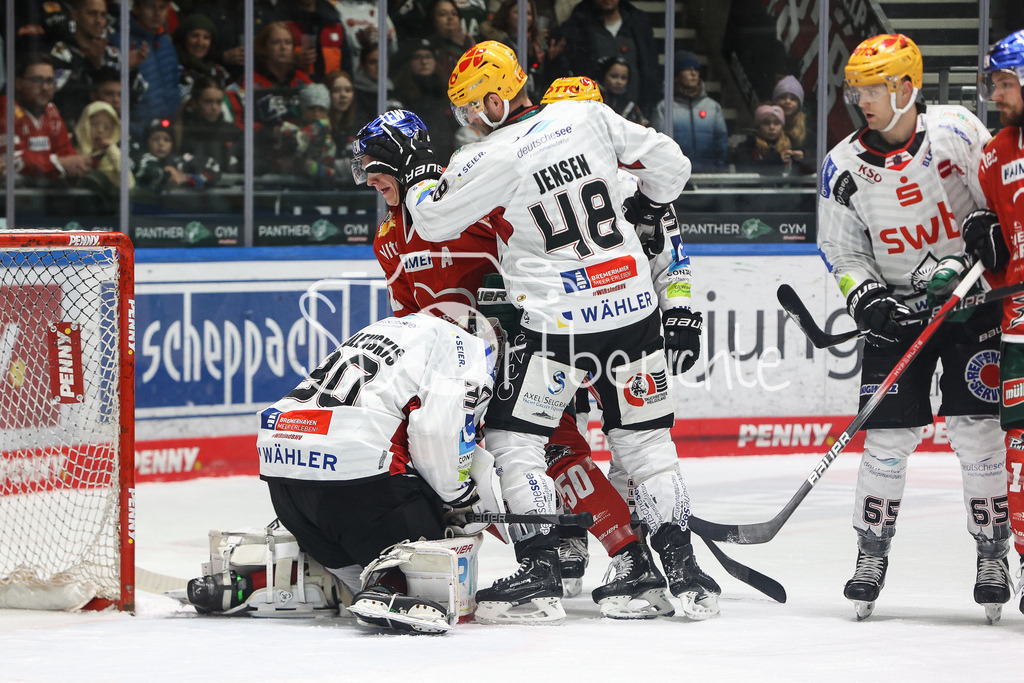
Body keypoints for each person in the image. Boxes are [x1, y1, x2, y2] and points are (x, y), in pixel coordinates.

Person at [364, 41, 717, 623]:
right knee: (648, 446)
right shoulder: (586, 114)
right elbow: (673, 165)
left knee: (513, 440)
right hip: (632, 309)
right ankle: (683, 573)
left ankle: (541, 571)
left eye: (469, 110)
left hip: (560, 326)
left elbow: (428, 218)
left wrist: (427, 177)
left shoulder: (487, 157)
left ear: (496, 102)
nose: (467, 123)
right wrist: (652, 209)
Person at [817, 33, 1011, 622]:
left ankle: (992, 553)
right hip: (899, 313)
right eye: (855, 90)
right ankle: (870, 553)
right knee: (887, 440)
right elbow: (842, 250)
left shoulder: (956, 130)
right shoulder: (843, 165)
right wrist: (868, 300)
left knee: (978, 432)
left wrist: (986, 235)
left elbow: (997, 200)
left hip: (970, 306)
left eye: (873, 89)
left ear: (906, 88)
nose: (861, 100)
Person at [961, 28, 1024, 616]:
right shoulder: (993, 153)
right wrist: (983, 231)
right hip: (1018, 325)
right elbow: (996, 230)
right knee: (1020, 452)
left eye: (1006, 82)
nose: (996, 94)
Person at [0, 53, 91, 184]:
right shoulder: (5, 107)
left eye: (49, 81)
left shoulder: (51, 110)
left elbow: (66, 153)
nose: (44, 88)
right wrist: (59, 164)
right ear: (18, 82)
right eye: (37, 80)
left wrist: (78, 164)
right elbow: (14, 160)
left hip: (45, 194)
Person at [560, 0, 659, 112]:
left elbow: (650, 69)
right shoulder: (579, 28)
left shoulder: (638, 26)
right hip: (592, 112)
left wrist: (646, 107)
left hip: (634, 113)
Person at [111, 0, 182, 140]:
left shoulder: (167, 44)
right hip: (133, 135)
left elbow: (175, 89)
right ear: (136, 8)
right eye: (150, 6)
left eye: (162, 7)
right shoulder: (120, 41)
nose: (157, 13)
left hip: (166, 136)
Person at [650, 51, 728, 173]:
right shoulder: (664, 107)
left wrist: (718, 167)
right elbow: (658, 145)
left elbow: (721, 142)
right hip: (675, 173)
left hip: (709, 173)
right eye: (687, 69)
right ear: (676, 74)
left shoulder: (713, 107)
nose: (694, 74)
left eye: (696, 69)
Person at [478, 0, 566, 103]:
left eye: (528, 13)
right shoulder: (497, 43)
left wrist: (551, 59)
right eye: (517, 12)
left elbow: (542, 78)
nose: (524, 17)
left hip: (537, 101)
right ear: (506, 14)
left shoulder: (537, 41)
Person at [174, 76, 242, 178]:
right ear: (195, 103)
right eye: (208, 102)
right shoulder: (180, 131)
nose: (214, 107)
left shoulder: (231, 131)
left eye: (218, 102)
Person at [74, 99, 133, 212]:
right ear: (84, 125)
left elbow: (128, 184)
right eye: (94, 125)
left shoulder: (113, 157)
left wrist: (112, 150)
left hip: (105, 216)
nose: (100, 130)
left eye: (107, 127)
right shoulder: (71, 152)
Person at [133, 117, 220, 192]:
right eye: (155, 139)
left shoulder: (179, 161)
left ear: (172, 143)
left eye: (166, 139)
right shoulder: (139, 159)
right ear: (147, 142)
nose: (161, 143)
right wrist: (165, 173)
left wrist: (189, 180)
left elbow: (213, 166)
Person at [172, 11, 230, 101]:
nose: (200, 43)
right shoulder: (173, 70)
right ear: (183, 39)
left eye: (206, 38)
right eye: (194, 36)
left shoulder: (219, 72)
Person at [732, 103, 795, 175]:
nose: (772, 127)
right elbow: (746, 173)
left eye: (776, 123)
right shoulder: (746, 147)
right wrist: (775, 159)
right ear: (758, 126)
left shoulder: (792, 146)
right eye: (766, 123)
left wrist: (801, 161)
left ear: (782, 126)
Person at [772, 75, 814, 170]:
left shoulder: (808, 130)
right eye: (782, 97)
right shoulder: (766, 125)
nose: (787, 101)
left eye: (793, 99)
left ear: (799, 104)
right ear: (775, 101)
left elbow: (819, 158)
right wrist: (776, 158)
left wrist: (804, 157)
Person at [593, 55, 646, 126]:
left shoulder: (630, 106)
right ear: (603, 75)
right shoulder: (592, 100)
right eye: (614, 76)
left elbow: (643, 129)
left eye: (623, 78)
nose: (619, 81)